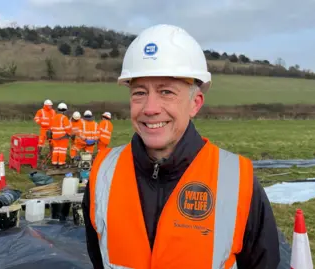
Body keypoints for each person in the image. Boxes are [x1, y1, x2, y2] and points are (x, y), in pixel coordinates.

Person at [82, 24, 280, 269]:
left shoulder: (237, 180)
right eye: (139, 93)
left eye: (166, 91)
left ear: (195, 103)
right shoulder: (103, 172)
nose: (150, 108)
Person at [49, 103, 72, 167]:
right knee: (62, 150)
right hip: (63, 137)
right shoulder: (64, 118)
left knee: (56, 150)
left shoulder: (53, 117)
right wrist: (69, 134)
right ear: (65, 110)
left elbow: (50, 128)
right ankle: (61, 163)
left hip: (54, 137)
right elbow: (67, 128)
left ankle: (54, 162)